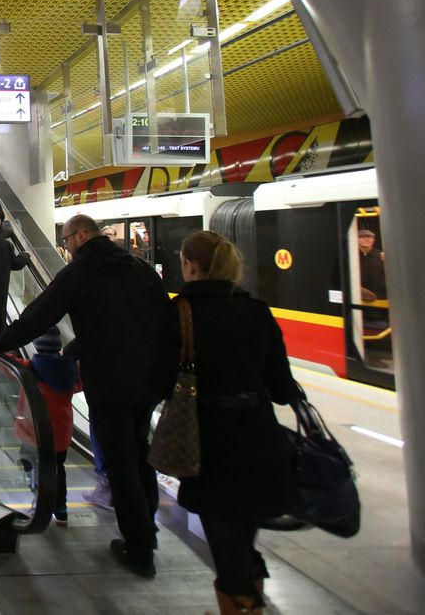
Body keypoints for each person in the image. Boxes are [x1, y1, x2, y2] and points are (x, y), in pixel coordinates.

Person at [0, 213, 173, 579]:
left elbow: (39, 315)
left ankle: (139, 549)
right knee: (140, 456)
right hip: (147, 380)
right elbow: (165, 321)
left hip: (108, 381)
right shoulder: (140, 270)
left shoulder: (81, 273)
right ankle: (148, 532)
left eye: (65, 241)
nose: (66, 247)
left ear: (80, 236)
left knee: (121, 463)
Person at [168, 231, 300, 615]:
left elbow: (159, 379)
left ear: (191, 266)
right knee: (242, 536)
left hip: (208, 442)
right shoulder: (257, 310)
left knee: (225, 540)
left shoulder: (179, 312)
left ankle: (241, 605)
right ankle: (248, 604)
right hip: (259, 439)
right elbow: (282, 389)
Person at [27, 329, 79, 526]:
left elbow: (9, 366)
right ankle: (61, 509)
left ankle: (39, 504)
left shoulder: (32, 369)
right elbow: (80, 384)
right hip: (63, 432)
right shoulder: (71, 369)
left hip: (39, 430)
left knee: (35, 465)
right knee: (59, 468)